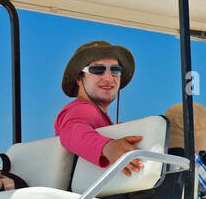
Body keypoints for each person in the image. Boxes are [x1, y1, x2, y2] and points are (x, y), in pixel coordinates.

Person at [54, 40, 144, 177]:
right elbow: (72, 132)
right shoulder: (82, 109)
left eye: (115, 70)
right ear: (79, 79)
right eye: (97, 70)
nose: (109, 78)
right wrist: (108, 147)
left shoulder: (100, 118)